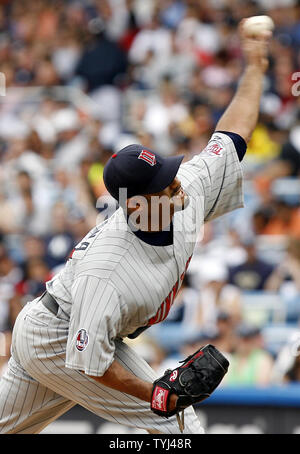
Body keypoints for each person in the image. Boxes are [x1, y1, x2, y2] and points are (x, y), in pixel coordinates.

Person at [0, 21, 272, 434]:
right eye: (164, 182)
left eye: (168, 171)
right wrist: (156, 394)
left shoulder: (185, 192)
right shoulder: (109, 270)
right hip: (59, 339)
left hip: (63, 325)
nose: (176, 180)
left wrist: (254, 65)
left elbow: (231, 136)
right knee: (178, 425)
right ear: (139, 203)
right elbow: (91, 361)